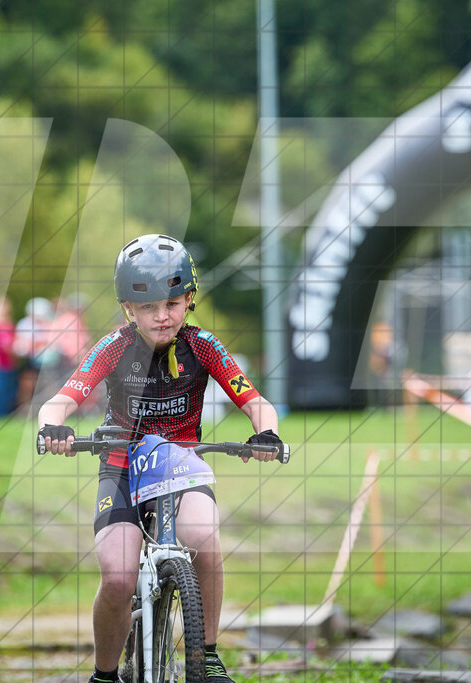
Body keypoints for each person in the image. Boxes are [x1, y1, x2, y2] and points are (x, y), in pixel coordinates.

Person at [37, 234, 286, 683]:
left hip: (181, 463)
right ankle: (104, 675)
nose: (161, 316)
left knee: (203, 535)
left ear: (189, 299)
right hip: (122, 468)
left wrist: (265, 430)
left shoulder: (203, 344)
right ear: (128, 310)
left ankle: (207, 656)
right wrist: (53, 427)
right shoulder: (113, 346)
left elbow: (255, 401)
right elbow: (59, 401)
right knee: (117, 578)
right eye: (148, 306)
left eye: (172, 303)